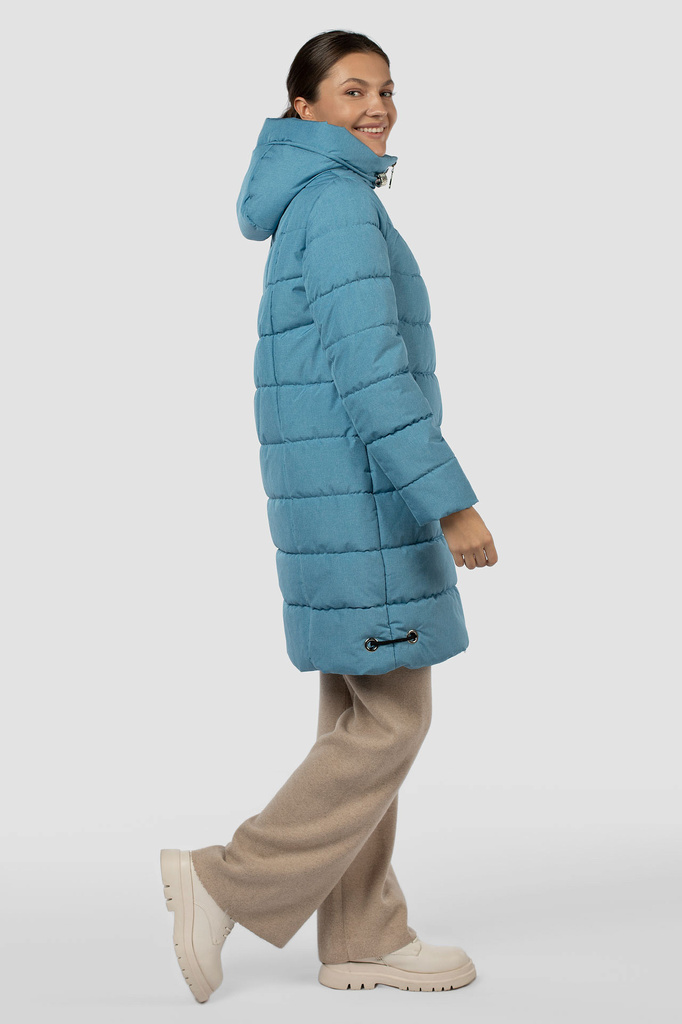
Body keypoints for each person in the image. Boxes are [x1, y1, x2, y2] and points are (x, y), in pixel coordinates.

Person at [160, 29, 497, 1002]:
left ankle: (361, 934)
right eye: (352, 90)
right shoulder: (340, 202)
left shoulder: (313, 196)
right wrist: (450, 501)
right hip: (364, 503)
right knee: (390, 722)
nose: (377, 106)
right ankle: (225, 879)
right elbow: (373, 374)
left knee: (357, 715)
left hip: (337, 502)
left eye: (386, 89)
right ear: (302, 107)